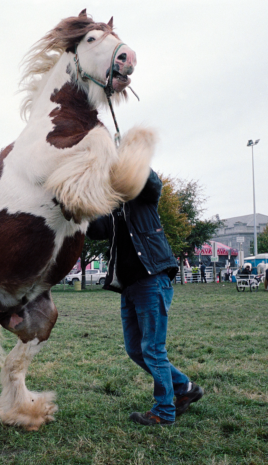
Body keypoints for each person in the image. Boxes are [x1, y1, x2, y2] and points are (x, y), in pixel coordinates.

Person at [87, 170, 203, 426]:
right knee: (136, 349)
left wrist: (128, 158)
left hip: (151, 281)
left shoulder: (144, 197)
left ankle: (164, 411)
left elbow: (152, 182)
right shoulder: (112, 210)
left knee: (152, 349)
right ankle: (184, 387)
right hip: (128, 286)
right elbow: (95, 229)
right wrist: (74, 202)